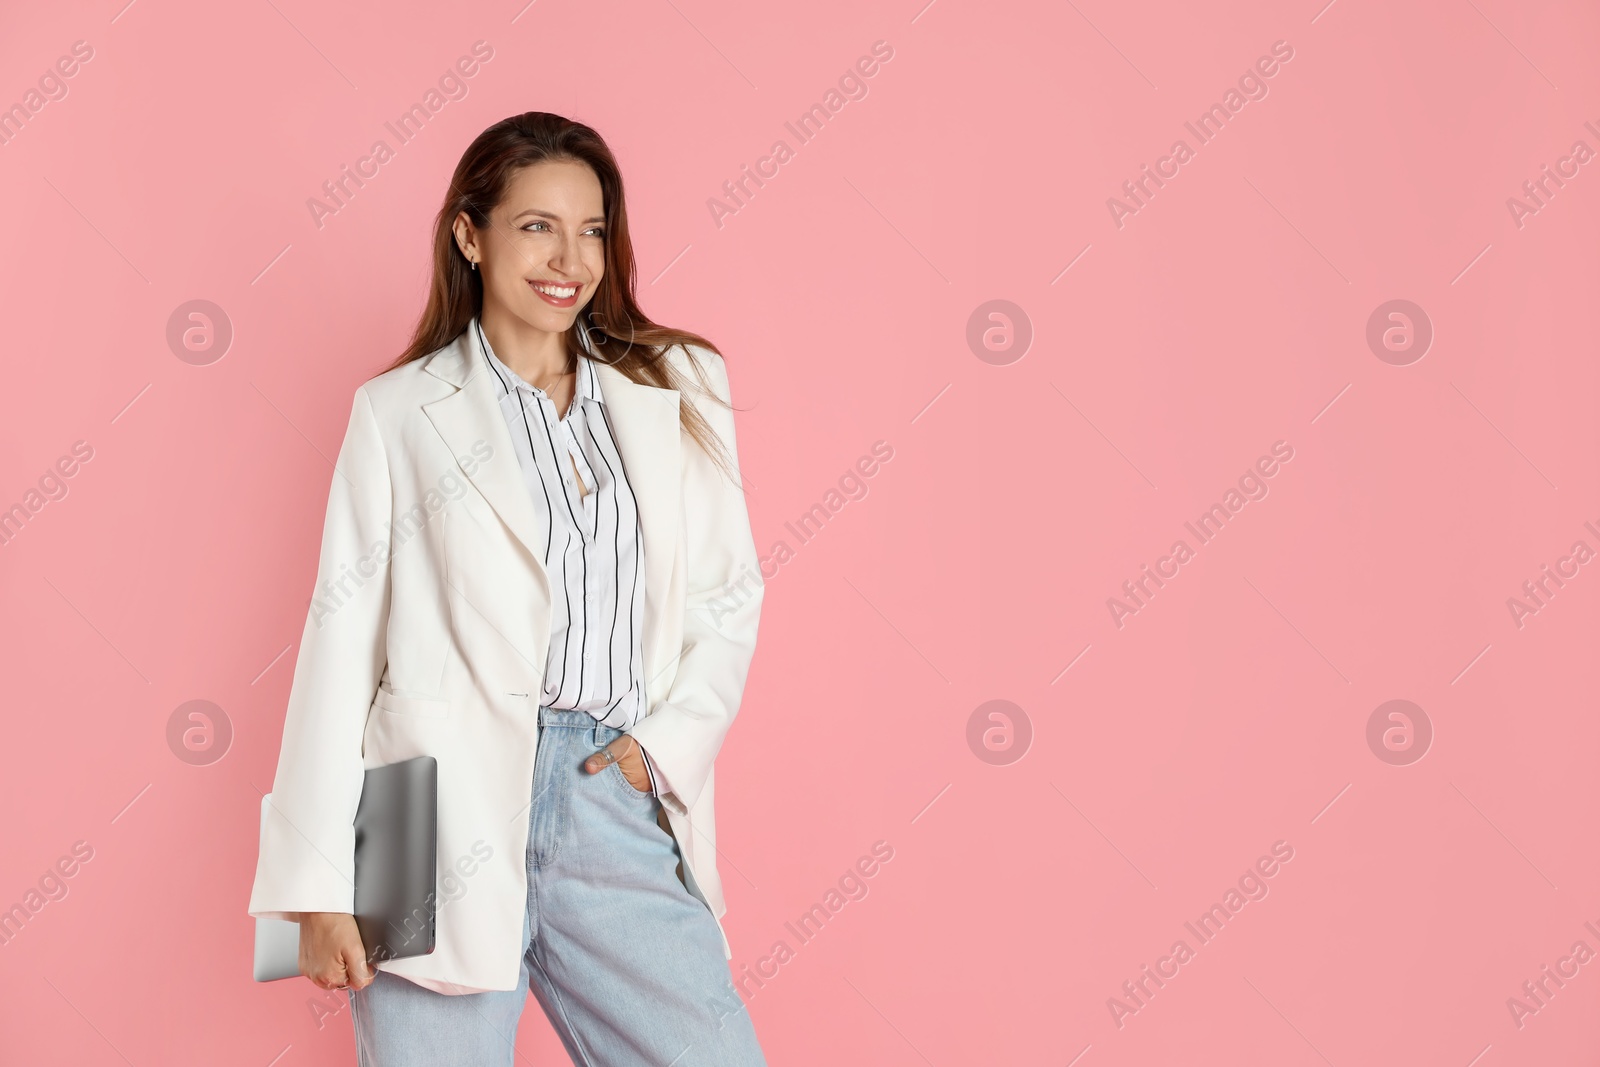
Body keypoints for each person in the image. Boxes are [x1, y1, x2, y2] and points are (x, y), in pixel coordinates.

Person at [248, 111, 769, 1066]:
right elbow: (340, 642)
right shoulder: (398, 411)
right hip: (416, 808)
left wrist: (664, 748)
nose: (570, 257)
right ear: (469, 234)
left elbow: (729, 596)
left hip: (606, 784)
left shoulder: (682, 386)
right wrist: (318, 885)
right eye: (536, 226)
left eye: (594, 229)